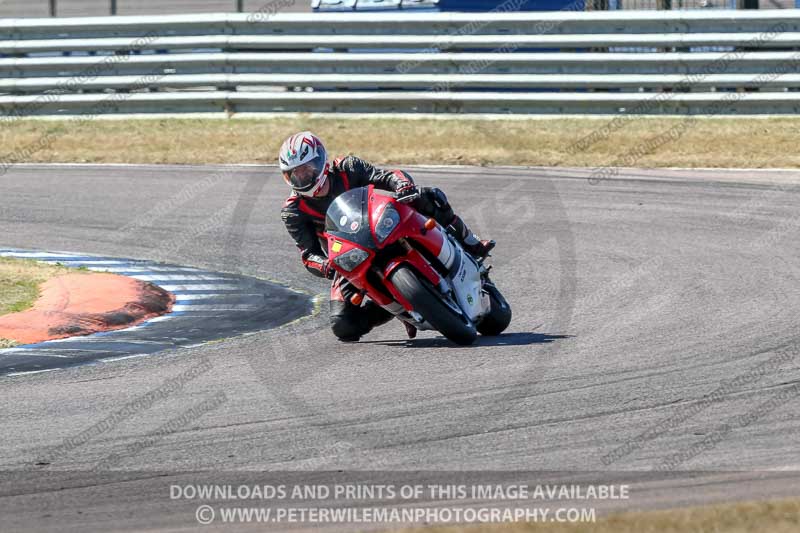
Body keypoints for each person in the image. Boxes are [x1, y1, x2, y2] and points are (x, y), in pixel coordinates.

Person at [279, 131, 493, 342]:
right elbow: (308, 254)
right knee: (343, 325)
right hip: (348, 256)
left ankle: (470, 242)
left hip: (379, 224)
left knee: (428, 196)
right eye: (294, 174)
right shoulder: (293, 211)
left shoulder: (347, 167)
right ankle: (394, 307)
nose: (302, 177)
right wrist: (326, 265)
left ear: (322, 161)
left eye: (306, 170)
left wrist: (403, 185)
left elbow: (385, 176)